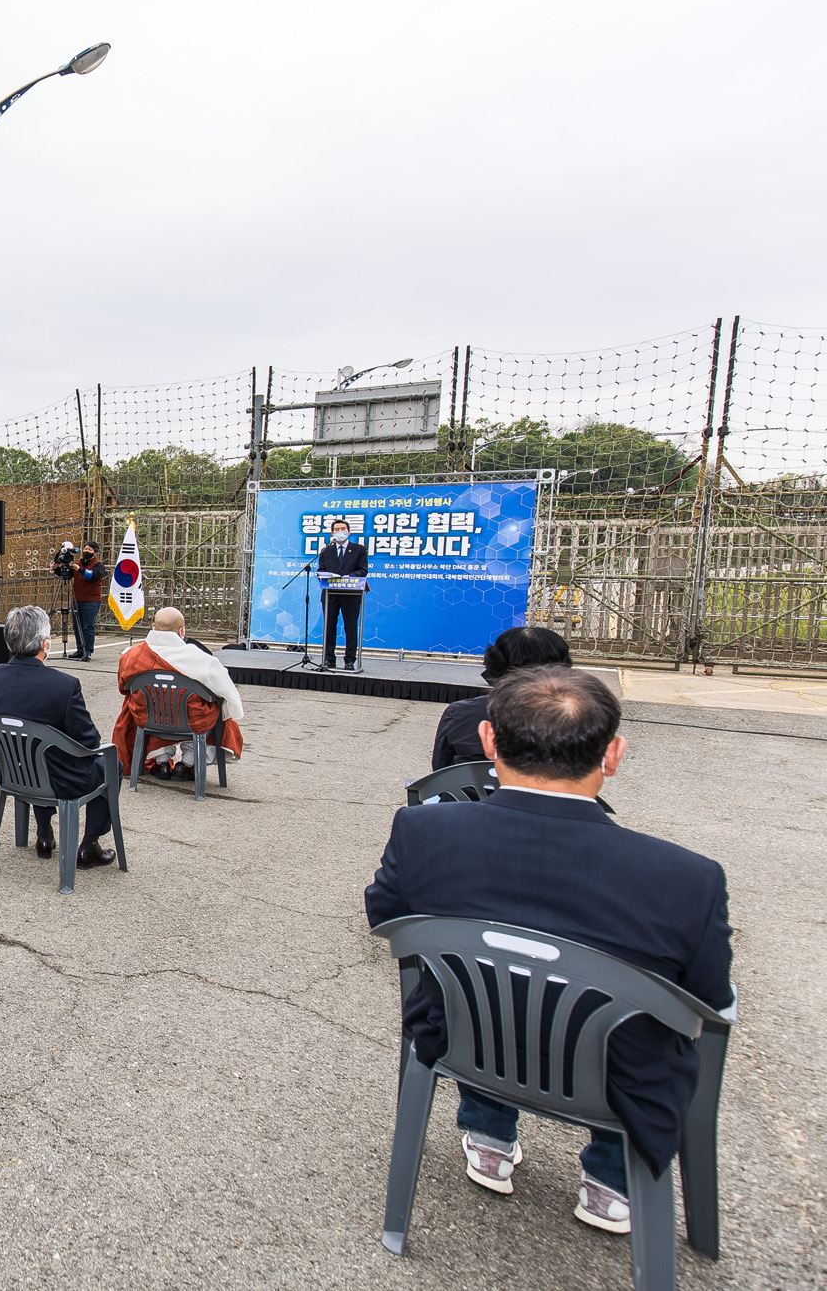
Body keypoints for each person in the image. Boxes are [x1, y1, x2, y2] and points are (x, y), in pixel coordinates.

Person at [366, 667, 731, 1236]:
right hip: (614, 1077)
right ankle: (612, 1179)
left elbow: (386, 917)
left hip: (467, 1041)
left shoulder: (422, 833)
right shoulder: (687, 879)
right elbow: (708, 997)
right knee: (649, 1025)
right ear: (613, 754)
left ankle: (488, 1133)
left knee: (478, 986)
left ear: (489, 741)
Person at [0, 605, 117, 868]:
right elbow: (89, 742)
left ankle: (44, 831)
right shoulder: (64, 685)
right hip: (59, 779)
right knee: (110, 763)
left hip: (9, 772)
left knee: (36, 754)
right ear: (45, 643)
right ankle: (89, 845)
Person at [113, 607, 246, 781]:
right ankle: (188, 763)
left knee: (153, 703)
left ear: (153, 627)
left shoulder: (130, 655)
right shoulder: (202, 660)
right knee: (219, 711)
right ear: (182, 631)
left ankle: (161, 762)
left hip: (148, 719)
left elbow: (123, 688)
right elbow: (229, 693)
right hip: (191, 723)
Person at [432, 626, 572, 770]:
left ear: (493, 662)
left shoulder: (460, 712)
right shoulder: (579, 718)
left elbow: (440, 769)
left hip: (466, 792)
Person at [318, 517, 369, 670]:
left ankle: (349, 660)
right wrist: (324, 575)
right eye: (337, 530)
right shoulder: (326, 550)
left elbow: (363, 570)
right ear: (332, 533)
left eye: (343, 529)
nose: (340, 532)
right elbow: (321, 570)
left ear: (349, 532)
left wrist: (349, 577)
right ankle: (329, 659)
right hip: (330, 594)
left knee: (351, 628)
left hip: (351, 594)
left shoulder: (359, 549)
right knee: (329, 628)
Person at [69, 541, 105, 661]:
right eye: (85, 549)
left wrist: (80, 570)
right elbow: (68, 575)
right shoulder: (79, 564)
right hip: (77, 599)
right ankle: (80, 649)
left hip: (91, 601)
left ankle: (87, 651)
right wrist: (57, 569)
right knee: (77, 626)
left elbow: (94, 576)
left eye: (89, 550)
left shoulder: (98, 565)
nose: (86, 551)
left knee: (88, 627)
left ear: (95, 553)